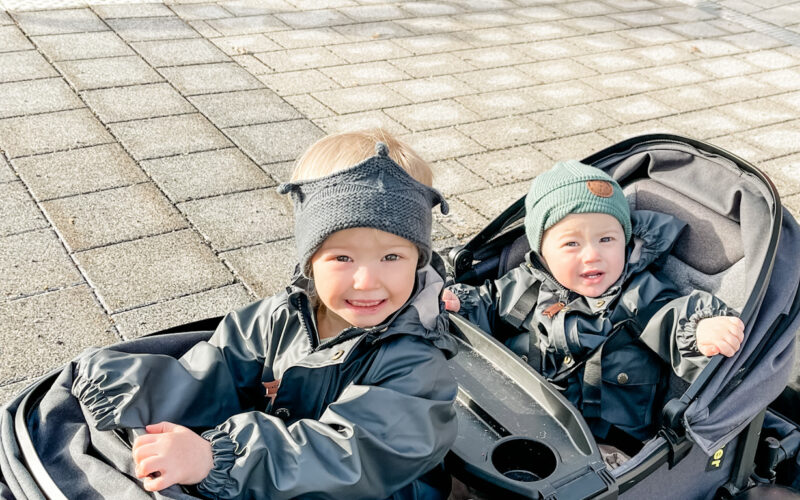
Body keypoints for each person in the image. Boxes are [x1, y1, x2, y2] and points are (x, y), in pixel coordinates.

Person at [72, 129, 458, 499]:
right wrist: (129, 391)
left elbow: (351, 455)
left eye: (392, 257)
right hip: (270, 473)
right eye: (342, 257)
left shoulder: (416, 365)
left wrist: (218, 458)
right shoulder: (280, 316)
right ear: (310, 261)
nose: (366, 280)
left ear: (418, 260)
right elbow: (214, 369)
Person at [443, 160, 744, 452]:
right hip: (522, 419)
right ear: (542, 253)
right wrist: (459, 303)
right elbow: (486, 302)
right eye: (571, 244)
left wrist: (700, 328)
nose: (592, 255)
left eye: (606, 239)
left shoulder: (639, 295)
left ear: (625, 242)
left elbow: (672, 318)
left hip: (610, 446)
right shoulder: (525, 285)